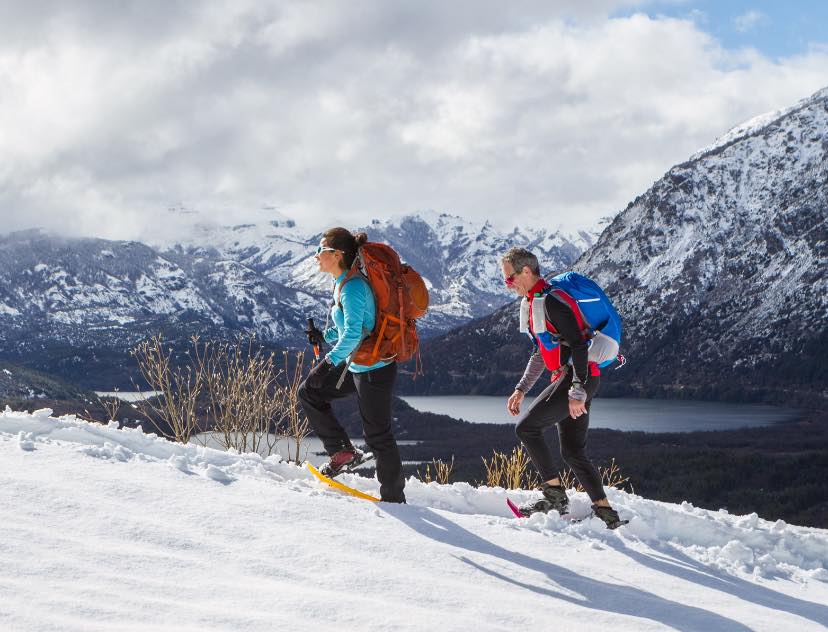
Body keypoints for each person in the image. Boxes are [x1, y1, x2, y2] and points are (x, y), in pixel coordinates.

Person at [502, 247, 625, 529]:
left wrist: (577, 390)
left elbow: (580, 344)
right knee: (573, 452)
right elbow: (541, 351)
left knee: (527, 428)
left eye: (510, 278)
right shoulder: (535, 302)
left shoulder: (551, 302)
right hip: (580, 377)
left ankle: (555, 496)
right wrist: (522, 388)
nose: (508, 284)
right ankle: (606, 515)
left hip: (579, 377)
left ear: (526, 271)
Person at [298, 227, 406, 504]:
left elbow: (355, 334)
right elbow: (350, 327)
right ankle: (343, 453)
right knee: (309, 393)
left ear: (337, 254)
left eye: (320, 251)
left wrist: (326, 363)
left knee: (378, 435)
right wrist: (325, 337)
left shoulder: (354, 287)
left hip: (374, 369)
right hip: (358, 366)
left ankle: (394, 499)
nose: (316, 257)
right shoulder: (343, 283)